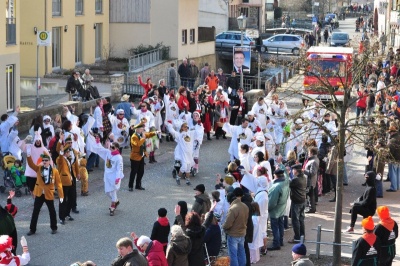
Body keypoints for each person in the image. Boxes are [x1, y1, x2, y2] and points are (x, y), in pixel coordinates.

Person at [26, 152, 64, 236]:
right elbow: (31, 165)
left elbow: (59, 184)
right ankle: (32, 229)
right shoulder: (39, 168)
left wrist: (61, 195)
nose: (44, 162)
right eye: (43, 160)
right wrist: (28, 155)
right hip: (39, 193)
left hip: (48, 193)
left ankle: (54, 228)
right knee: (35, 211)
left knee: (52, 211)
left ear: (49, 161)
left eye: (46, 160)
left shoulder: (55, 171)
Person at [89, 136, 124, 216]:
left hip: (114, 176)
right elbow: (100, 150)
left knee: (113, 191)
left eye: (113, 147)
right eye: (110, 147)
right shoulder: (108, 153)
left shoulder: (119, 158)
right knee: (107, 192)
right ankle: (116, 201)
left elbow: (120, 168)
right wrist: (97, 143)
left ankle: (112, 207)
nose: (111, 148)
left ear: (117, 148)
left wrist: (118, 177)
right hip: (107, 176)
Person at [174, 200, 216, 266]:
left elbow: (181, 225)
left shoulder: (187, 233)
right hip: (200, 260)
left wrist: (178, 215)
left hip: (190, 260)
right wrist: (211, 211)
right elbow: (207, 221)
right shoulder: (202, 230)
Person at [223, 187, 249, 266]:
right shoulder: (245, 206)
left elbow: (228, 224)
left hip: (233, 234)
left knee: (233, 255)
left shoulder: (233, 209)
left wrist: (223, 227)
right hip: (242, 233)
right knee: (242, 252)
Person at [128, 123, 156, 191]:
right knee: (134, 172)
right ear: (137, 129)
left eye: (143, 129)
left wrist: (155, 132)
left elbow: (148, 134)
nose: (142, 130)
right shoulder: (134, 136)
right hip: (135, 157)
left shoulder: (141, 134)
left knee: (141, 172)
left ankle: (138, 185)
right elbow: (137, 144)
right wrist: (143, 138)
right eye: (141, 129)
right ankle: (130, 186)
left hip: (141, 155)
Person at [56, 143, 79, 225]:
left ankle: (67, 213)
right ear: (65, 153)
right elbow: (60, 159)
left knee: (72, 198)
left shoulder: (69, 158)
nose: (69, 152)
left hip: (71, 181)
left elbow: (75, 162)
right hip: (63, 182)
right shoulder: (60, 159)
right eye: (68, 151)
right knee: (62, 200)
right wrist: (61, 152)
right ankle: (61, 217)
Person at [268, 169, 290, 251]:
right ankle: (280, 241)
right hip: (282, 207)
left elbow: (272, 202)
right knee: (281, 225)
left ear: (275, 175)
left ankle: (276, 243)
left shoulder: (276, 186)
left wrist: (268, 209)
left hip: (275, 210)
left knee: (275, 227)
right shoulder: (285, 183)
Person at [288, 164, 307, 244]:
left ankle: (297, 238)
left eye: (293, 170)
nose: (292, 171)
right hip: (302, 200)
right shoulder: (304, 177)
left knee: (295, 220)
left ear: (296, 171)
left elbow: (289, 183)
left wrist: (287, 174)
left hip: (296, 201)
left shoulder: (296, 180)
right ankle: (302, 236)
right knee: (301, 219)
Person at [304, 147, 319, 213]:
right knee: (310, 194)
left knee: (311, 194)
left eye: (309, 153)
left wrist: (303, 171)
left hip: (310, 180)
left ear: (312, 153)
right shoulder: (314, 160)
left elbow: (312, 172)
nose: (308, 154)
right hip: (310, 180)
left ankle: (312, 208)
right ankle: (311, 207)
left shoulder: (313, 161)